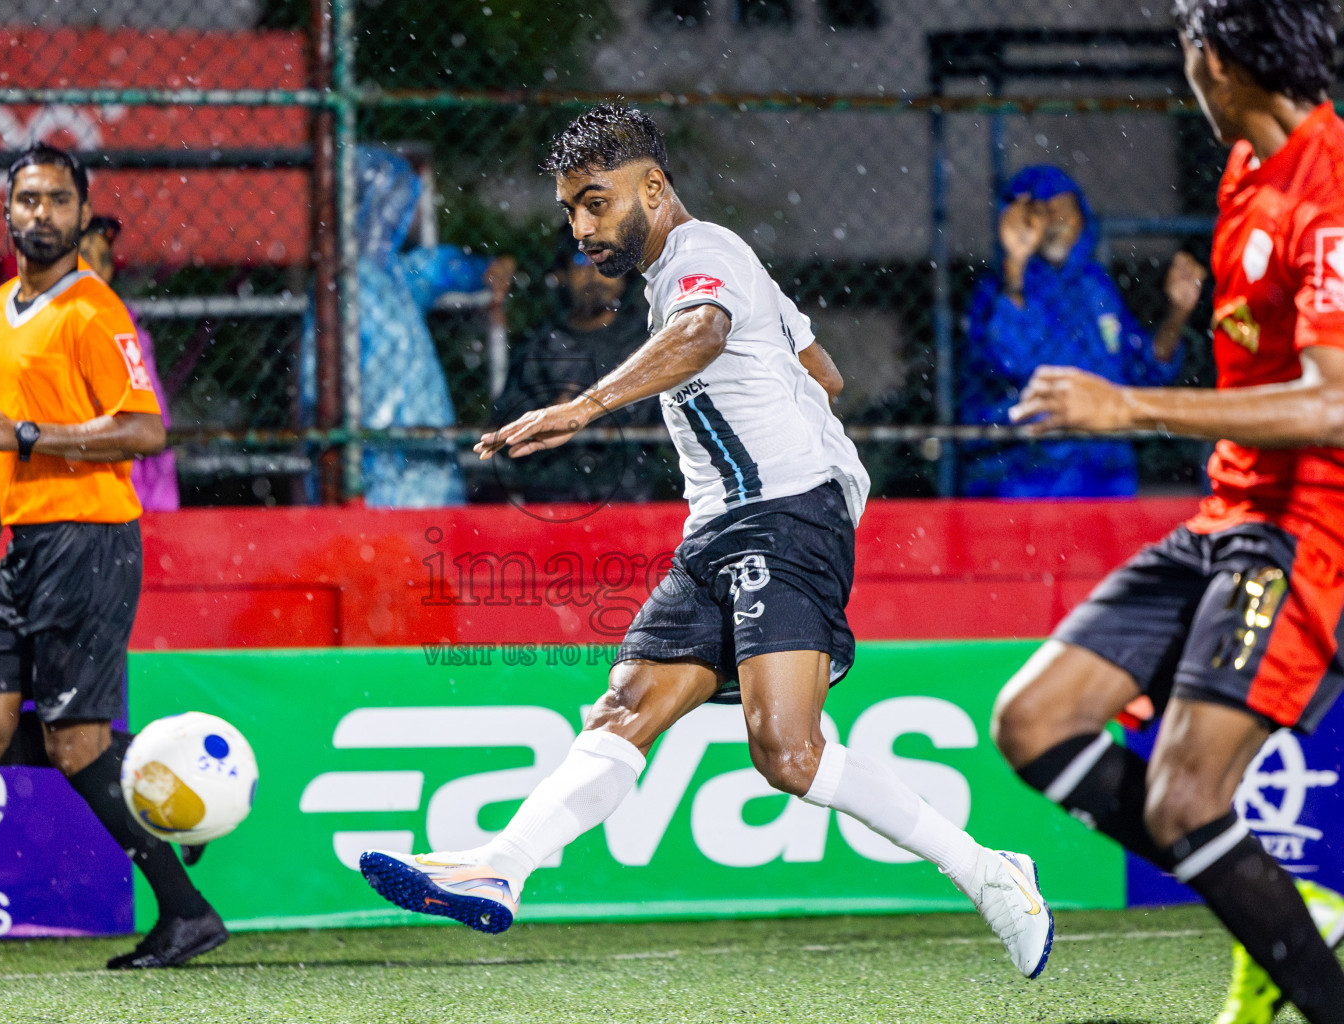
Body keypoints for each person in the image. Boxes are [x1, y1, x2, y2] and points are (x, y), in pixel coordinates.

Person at [359, 103, 1055, 981]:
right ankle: (506, 866)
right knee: (625, 704)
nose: (581, 228)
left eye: (596, 203)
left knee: (787, 752)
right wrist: (784, 398)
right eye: (571, 209)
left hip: (783, 515)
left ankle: (992, 874)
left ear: (654, 186)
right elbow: (824, 372)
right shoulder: (708, 268)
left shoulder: (705, 256)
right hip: (721, 525)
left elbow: (704, 333)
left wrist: (582, 407)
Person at [992, 3, 1344, 1020]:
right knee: (1034, 722)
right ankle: (1283, 904)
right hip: (1226, 516)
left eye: (1185, 54)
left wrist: (1131, 402)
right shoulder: (1244, 171)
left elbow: (1332, 403)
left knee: (1186, 798)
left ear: (1216, 58)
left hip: (1306, 531)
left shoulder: (1327, 186)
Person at [0, 145, 226, 969]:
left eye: (56, 201)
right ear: (6, 212)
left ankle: (186, 913)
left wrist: (26, 437)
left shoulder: (97, 310)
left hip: (91, 541)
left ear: (79, 215)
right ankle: (162, 783)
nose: (40, 213)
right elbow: (13, 426)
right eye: (27, 200)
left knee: (74, 744)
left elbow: (144, 430)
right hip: (27, 543)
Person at [961, 165, 1207, 497]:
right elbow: (1009, 361)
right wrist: (1015, 267)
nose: (1058, 222)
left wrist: (1177, 314)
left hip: (1105, 473)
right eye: (1043, 212)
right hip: (1023, 477)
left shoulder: (1096, 286)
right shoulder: (998, 290)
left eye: (1066, 209)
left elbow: (1143, 369)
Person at [357, 145, 513, 507]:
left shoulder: (393, 274)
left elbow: (439, 268)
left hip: (421, 458)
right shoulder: (350, 283)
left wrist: (485, 270)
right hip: (376, 463)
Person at [490, 243, 661, 502]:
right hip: (555, 501)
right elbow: (503, 433)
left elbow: (669, 429)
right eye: (581, 261)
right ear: (561, 274)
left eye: (606, 261)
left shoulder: (648, 342)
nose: (593, 273)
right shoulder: (542, 346)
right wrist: (551, 411)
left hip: (637, 501)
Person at [78, 214, 180, 511]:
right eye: (81, 256)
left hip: (122, 503)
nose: (92, 269)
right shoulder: (25, 330)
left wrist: (159, 512)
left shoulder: (130, 338)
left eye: (101, 260)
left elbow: (155, 428)